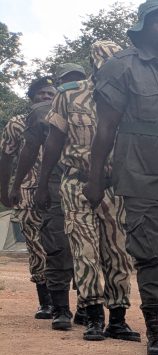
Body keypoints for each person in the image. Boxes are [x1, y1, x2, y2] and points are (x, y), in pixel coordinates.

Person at [87, 0, 158, 355]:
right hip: (140, 174)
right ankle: (157, 330)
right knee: (154, 255)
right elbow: (105, 127)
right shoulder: (121, 66)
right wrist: (94, 178)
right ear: (142, 27)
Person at [34, 44, 141, 343]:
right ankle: (93, 315)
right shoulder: (69, 94)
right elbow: (53, 141)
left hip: (114, 186)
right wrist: (43, 184)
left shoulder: (130, 97)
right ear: (95, 66)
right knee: (85, 250)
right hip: (77, 183)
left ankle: (118, 319)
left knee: (118, 252)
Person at [12, 69, 84, 331]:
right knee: (52, 245)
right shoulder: (39, 114)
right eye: (64, 82)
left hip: (85, 184)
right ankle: (57, 307)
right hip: (47, 187)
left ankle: (87, 306)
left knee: (85, 248)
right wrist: (16, 186)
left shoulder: (93, 105)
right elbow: (22, 152)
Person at [1, 78, 57, 319]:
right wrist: (4, 190)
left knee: (64, 245)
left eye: (50, 94)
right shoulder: (17, 124)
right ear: (32, 97)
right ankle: (45, 301)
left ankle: (68, 303)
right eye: (42, 93)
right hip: (26, 191)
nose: (46, 97)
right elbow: (6, 157)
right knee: (35, 245)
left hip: (58, 191)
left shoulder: (63, 122)